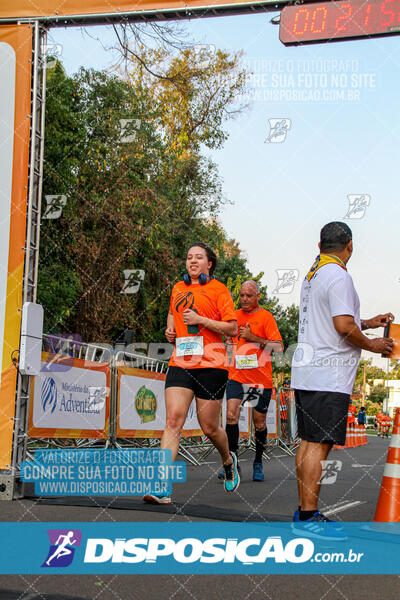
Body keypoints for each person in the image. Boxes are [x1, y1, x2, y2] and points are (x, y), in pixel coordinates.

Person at [291, 221, 394, 538]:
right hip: (328, 374)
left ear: (319, 246)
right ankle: (309, 518)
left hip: (308, 371)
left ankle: (303, 515)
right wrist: (373, 343)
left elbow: (340, 319)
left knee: (308, 443)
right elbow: (342, 325)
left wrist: (368, 322)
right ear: (350, 245)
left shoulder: (315, 275)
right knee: (318, 447)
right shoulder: (339, 276)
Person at [143, 242, 240, 504]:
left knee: (209, 427)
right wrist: (169, 329)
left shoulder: (218, 290)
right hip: (181, 362)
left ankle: (227, 460)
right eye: (189, 257)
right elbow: (172, 314)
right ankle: (162, 486)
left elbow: (232, 329)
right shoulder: (178, 288)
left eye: (199, 257)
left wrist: (202, 321)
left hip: (211, 364)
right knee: (173, 420)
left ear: (210, 264)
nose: (192, 261)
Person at [218, 280, 283, 481]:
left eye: (249, 295)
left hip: (259, 380)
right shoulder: (234, 317)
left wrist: (254, 337)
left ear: (257, 296)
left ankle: (258, 461)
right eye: (242, 295)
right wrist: (228, 343)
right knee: (231, 416)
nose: (244, 299)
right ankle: (232, 462)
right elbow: (228, 344)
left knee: (260, 423)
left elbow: (279, 347)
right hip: (236, 376)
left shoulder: (266, 317)